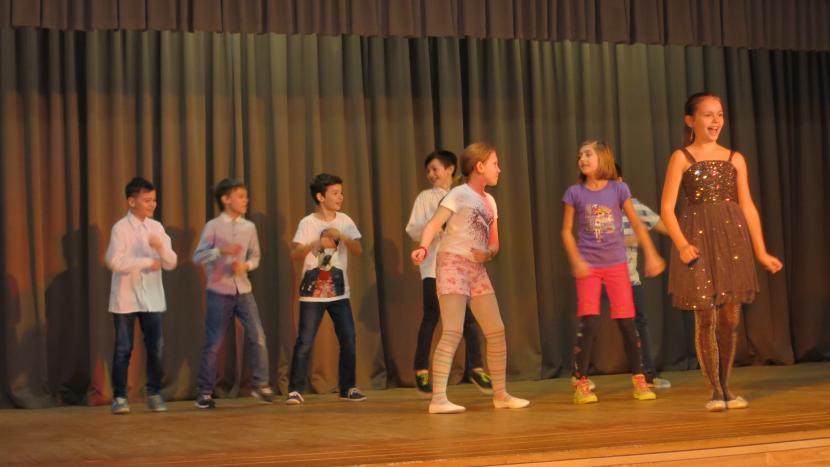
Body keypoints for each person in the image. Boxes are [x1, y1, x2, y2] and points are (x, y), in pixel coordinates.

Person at [661, 92, 783, 412]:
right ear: (691, 120)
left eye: (720, 114)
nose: (716, 121)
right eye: (708, 115)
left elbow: (748, 206)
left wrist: (761, 252)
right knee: (706, 316)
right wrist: (682, 244)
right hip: (697, 241)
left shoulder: (734, 158)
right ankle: (715, 391)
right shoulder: (681, 158)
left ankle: (727, 387)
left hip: (731, 241)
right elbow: (666, 208)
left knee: (729, 319)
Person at [412, 142, 529, 414]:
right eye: (495, 164)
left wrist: (488, 253)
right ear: (479, 166)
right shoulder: (459, 194)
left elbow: (495, 244)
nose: (499, 169)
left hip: (477, 268)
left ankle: (501, 395)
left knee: (496, 330)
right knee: (452, 330)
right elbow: (433, 224)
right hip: (452, 263)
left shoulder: (490, 202)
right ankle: (438, 400)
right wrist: (423, 248)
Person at [561, 140, 664, 405]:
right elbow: (566, 232)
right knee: (589, 322)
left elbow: (638, 225)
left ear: (603, 159)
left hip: (617, 265)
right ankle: (581, 382)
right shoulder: (574, 192)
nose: (582, 159)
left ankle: (639, 379)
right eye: (580, 155)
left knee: (628, 324)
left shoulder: (619, 189)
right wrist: (577, 260)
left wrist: (652, 255)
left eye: (588, 154)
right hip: (589, 267)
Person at [405, 150, 492, 398]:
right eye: (428, 171)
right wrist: (436, 224)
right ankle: (421, 370)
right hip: (433, 267)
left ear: (450, 169)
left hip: (461, 268)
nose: (431, 174)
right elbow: (413, 229)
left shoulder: (463, 194)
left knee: (469, 320)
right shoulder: (425, 198)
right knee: (431, 316)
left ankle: (476, 368)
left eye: (435, 169)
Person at [193, 178, 275, 409]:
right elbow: (198, 257)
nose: (245, 200)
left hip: (244, 290)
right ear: (225, 199)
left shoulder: (249, 227)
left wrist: (245, 266)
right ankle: (204, 393)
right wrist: (220, 251)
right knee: (214, 343)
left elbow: (255, 256)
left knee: (258, 336)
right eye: (240, 196)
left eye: (246, 196)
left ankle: (261, 385)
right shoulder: (213, 226)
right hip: (219, 291)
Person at [285, 173, 366, 404]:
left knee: (349, 339)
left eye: (341, 193)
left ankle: (348, 387)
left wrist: (343, 237)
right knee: (305, 341)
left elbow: (359, 250)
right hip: (312, 294)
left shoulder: (345, 220)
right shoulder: (307, 223)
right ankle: (295, 390)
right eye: (335, 193)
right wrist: (316, 244)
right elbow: (295, 254)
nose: (340, 197)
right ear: (321, 197)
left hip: (339, 292)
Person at [105, 177, 177, 414]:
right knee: (123, 350)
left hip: (152, 298)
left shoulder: (156, 228)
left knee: (157, 348)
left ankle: (154, 393)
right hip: (126, 298)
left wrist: (160, 248)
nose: (152, 204)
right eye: (147, 200)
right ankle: (120, 397)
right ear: (131, 201)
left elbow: (171, 262)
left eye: (154, 200)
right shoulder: (120, 228)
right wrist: (146, 261)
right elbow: (114, 261)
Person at [617, 163, 671, 389]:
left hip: (630, 278)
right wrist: (632, 239)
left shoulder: (635, 206)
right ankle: (580, 375)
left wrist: (686, 239)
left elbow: (665, 227)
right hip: (600, 279)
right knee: (590, 324)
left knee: (639, 324)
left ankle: (648, 374)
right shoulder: (597, 211)